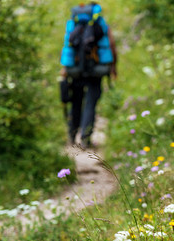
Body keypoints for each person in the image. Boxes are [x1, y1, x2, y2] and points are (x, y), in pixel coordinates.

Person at [60, 2, 117, 148]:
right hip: (96, 68)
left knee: (76, 102)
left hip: (76, 68)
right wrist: (113, 66)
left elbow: (67, 45)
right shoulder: (100, 22)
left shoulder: (73, 22)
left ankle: (72, 136)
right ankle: (85, 138)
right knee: (90, 103)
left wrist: (65, 68)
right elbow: (111, 44)